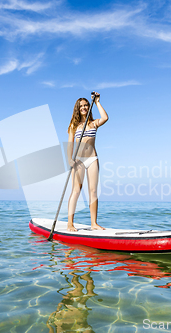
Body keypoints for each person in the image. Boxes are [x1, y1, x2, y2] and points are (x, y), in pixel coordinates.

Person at [67, 92, 108, 232]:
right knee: (76, 191)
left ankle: (94, 224)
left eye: (85, 105)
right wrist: (69, 159)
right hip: (78, 160)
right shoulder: (74, 125)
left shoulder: (93, 123)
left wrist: (96, 102)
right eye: (81, 106)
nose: (84, 108)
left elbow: (105, 117)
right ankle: (70, 224)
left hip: (92, 159)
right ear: (77, 109)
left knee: (93, 191)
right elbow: (70, 144)